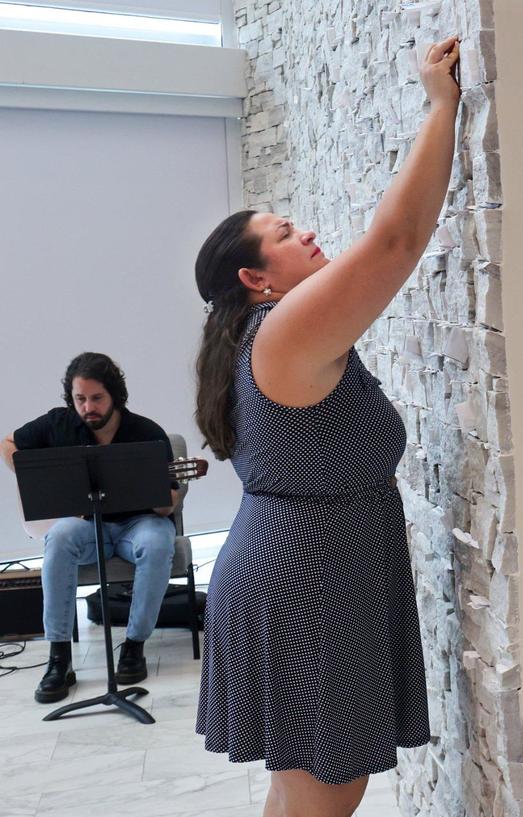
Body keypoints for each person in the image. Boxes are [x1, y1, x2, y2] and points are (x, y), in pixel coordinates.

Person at [192, 37, 460, 817]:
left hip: (301, 566)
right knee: (325, 794)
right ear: (255, 277)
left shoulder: (260, 338)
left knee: (302, 793)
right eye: (284, 233)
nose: (306, 233)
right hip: (306, 578)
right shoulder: (279, 331)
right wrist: (440, 106)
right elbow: (396, 243)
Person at [1, 352, 178, 702]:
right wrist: (40, 481)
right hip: (85, 525)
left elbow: (168, 502)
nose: (88, 408)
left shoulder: (146, 432)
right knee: (60, 536)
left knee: (157, 542)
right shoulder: (59, 424)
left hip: (137, 524)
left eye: (96, 398)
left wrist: (158, 494)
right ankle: (59, 659)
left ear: (115, 396)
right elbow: (8, 444)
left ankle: (134, 645)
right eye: (80, 399)